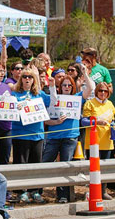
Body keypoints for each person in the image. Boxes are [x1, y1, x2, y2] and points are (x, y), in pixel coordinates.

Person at [43, 65, 94, 203]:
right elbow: (46, 120)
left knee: (66, 167)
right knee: (44, 163)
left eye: (69, 85)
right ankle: (36, 191)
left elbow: (90, 89)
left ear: (72, 87)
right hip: (53, 137)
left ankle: (63, 195)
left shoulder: (77, 97)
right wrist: (57, 122)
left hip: (70, 137)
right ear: (60, 87)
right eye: (64, 85)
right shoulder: (53, 97)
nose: (66, 87)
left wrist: (84, 73)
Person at [11, 68, 57, 203]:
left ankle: (35, 191)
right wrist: (16, 108)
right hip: (20, 134)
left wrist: (53, 87)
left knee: (36, 164)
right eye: (24, 77)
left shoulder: (39, 94)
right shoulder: (15, 94)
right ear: (21, 79)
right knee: (21, 164)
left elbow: (53, 102)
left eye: (30, 77)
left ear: (33, 80)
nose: (27, 79)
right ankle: (21, 192)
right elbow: (9, 111)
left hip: (37, 134)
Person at [81, 82, 115, 200]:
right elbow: (84, 122)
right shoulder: (90, 103)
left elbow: (112, 121)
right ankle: (92, 192)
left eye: (105, 91)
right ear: (96, 92)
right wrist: (97, 122)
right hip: (93, 143)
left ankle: (103, 191)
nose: (102, 93)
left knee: (104, 169)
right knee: (93, 169)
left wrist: (114, 126)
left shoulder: (110, 104)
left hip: (107, 141)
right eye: (100, 90)